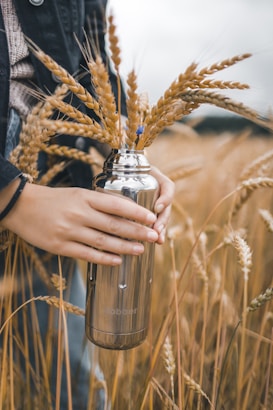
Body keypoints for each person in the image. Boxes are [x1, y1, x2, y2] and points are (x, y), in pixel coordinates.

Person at [0, 1, 174, 409]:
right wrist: (11, 197)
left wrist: (129, 158)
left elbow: (90, 63)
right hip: (25, 196)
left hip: (50, 186)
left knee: (72, 385)